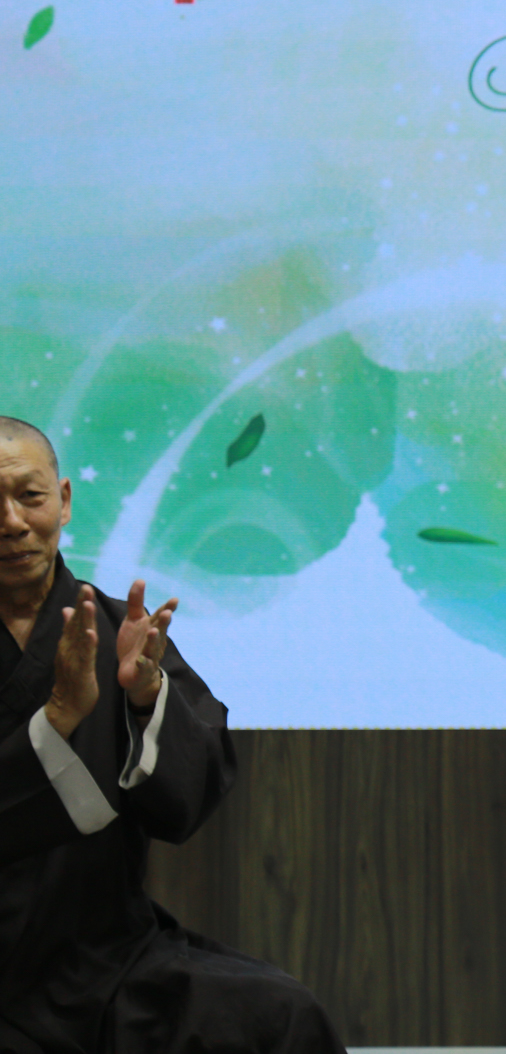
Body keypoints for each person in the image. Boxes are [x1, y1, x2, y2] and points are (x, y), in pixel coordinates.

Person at [0, 416, 345, 1053]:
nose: (12, 522)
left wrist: (146, 696)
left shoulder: (118, 632)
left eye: (30, 496)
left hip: (107, 959)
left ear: (64, 501)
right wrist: (57, 719)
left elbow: (186, 801)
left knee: (280, 1016)